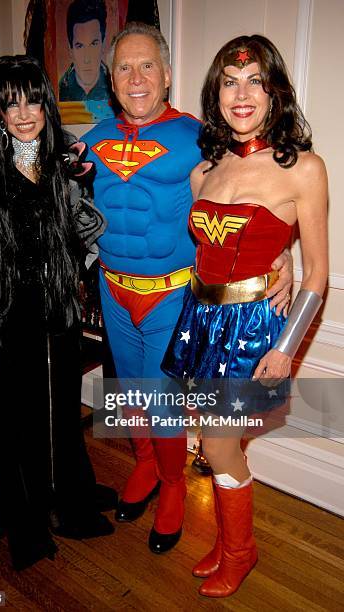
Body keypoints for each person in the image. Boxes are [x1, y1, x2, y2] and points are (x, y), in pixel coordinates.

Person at [83, 23, 293, 554]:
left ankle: (175, 484)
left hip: (171, 294)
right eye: (124, 67)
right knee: (128, 395)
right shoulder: (88, 141)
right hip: (112, 288)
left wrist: (283, 252)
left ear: (168, 74)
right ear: (111, 78)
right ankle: (147, 467)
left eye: (147, 65)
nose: (136, 78)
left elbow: (252, 194)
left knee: (162, 405)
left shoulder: (202, 135)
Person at [161, 35, 328, 597]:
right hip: (199, 319)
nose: (242, 93)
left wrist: (287, 348)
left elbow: (318, 274)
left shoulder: (304, 169)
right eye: (230, 81)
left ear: (275, 89)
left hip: (254, 330)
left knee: (220, 444)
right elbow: (215, 248)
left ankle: (241, 550)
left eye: (255, 79)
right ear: (216, 92)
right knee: (209, 441)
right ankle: (232, 543)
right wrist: (274, 253)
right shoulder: (204, 172)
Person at [0, 55, 117, 571]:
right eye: (9, 103)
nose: (23, 113)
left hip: (59, 319)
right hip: (8, 322)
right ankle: (27, 521)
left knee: (63, 415)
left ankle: (69, 502)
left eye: (32, 99)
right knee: (15, 426)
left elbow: (84, 238)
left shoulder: (65, 164)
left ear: (47, 102)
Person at [59, 0, 113, 122]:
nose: (87, 59)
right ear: (70, 48)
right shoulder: (61, 88)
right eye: (80, 46)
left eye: (94, 44)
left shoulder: (116, 87)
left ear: (103, 44)